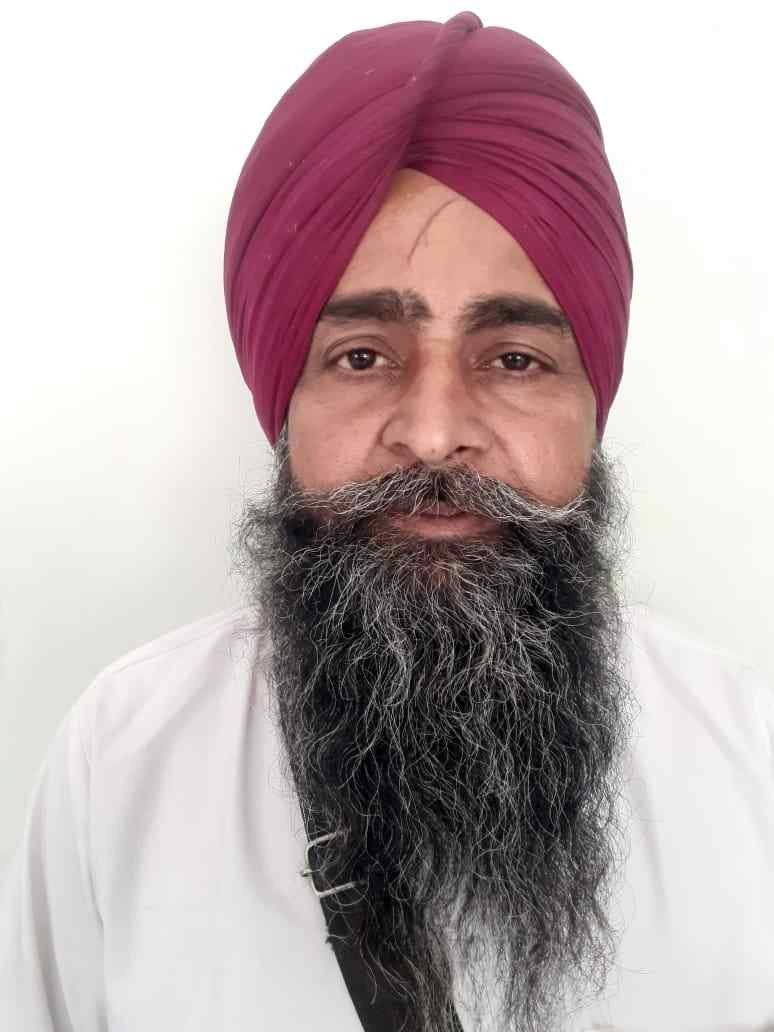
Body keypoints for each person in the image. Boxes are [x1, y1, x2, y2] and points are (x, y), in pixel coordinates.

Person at [2, 11, 773, 1032]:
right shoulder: (127, 756)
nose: (435, 435)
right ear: (285, 402)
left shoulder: (749, 757)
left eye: (516, 360)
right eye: (362, 357)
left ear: (594, 405)